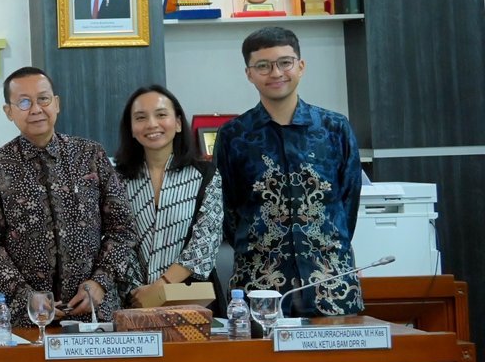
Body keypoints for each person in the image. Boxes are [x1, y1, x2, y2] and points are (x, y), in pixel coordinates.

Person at [215, 26, 363, 316]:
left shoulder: (335, 128)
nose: (276, 73)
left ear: (301, 66)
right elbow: (227, 209)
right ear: (249, 74)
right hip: (260, 283)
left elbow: (349, 202)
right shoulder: (234, 135)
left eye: (285, 62)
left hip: (331, 283)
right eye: (263, 66)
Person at [0, 66, 135, 322]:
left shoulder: (90, 155)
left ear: (56, 103)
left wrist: (101, 281)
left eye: (43, 99)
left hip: (93, 311)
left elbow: (123, 228)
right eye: (24, 102)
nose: (36, 109)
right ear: (9, 111)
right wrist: (25, 296)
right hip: (27, 317)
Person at [111, 85, 223, 310]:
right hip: (134, 300)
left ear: (178, 123)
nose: (152, 124)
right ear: (131, 128)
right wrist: (140, 292)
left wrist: (160, 287)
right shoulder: (116, 179)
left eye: (161, 115)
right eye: (141, 118)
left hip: (192, 299)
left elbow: (206, 240)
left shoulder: (205, 174)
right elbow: (115, 238)